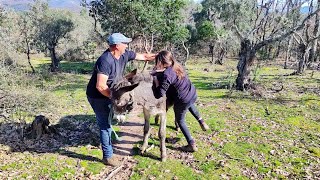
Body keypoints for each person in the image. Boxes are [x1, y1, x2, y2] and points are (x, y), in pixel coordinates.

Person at [86, 33, 155, 166]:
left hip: (112, 93)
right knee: (104, 125)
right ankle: (108, 156)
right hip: (98, 96)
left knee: (110, 118)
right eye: (125, 43)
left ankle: (111, 137)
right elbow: (100, 86)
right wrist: (115, 98)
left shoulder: (124, 54)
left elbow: (144, 56)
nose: (127, 45)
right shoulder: (105, 60)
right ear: (117, 46)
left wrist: (160, 56)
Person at [151, 50, 208, 152]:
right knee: (190, 104)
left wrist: (155, 81)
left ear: (161, 62)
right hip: (192, 93)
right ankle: (201, 121)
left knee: (180, 120)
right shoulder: (176, 65)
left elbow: (160, 94)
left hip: (182, 99)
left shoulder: (167, 74)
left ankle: (191, 144)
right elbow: (169, 76)